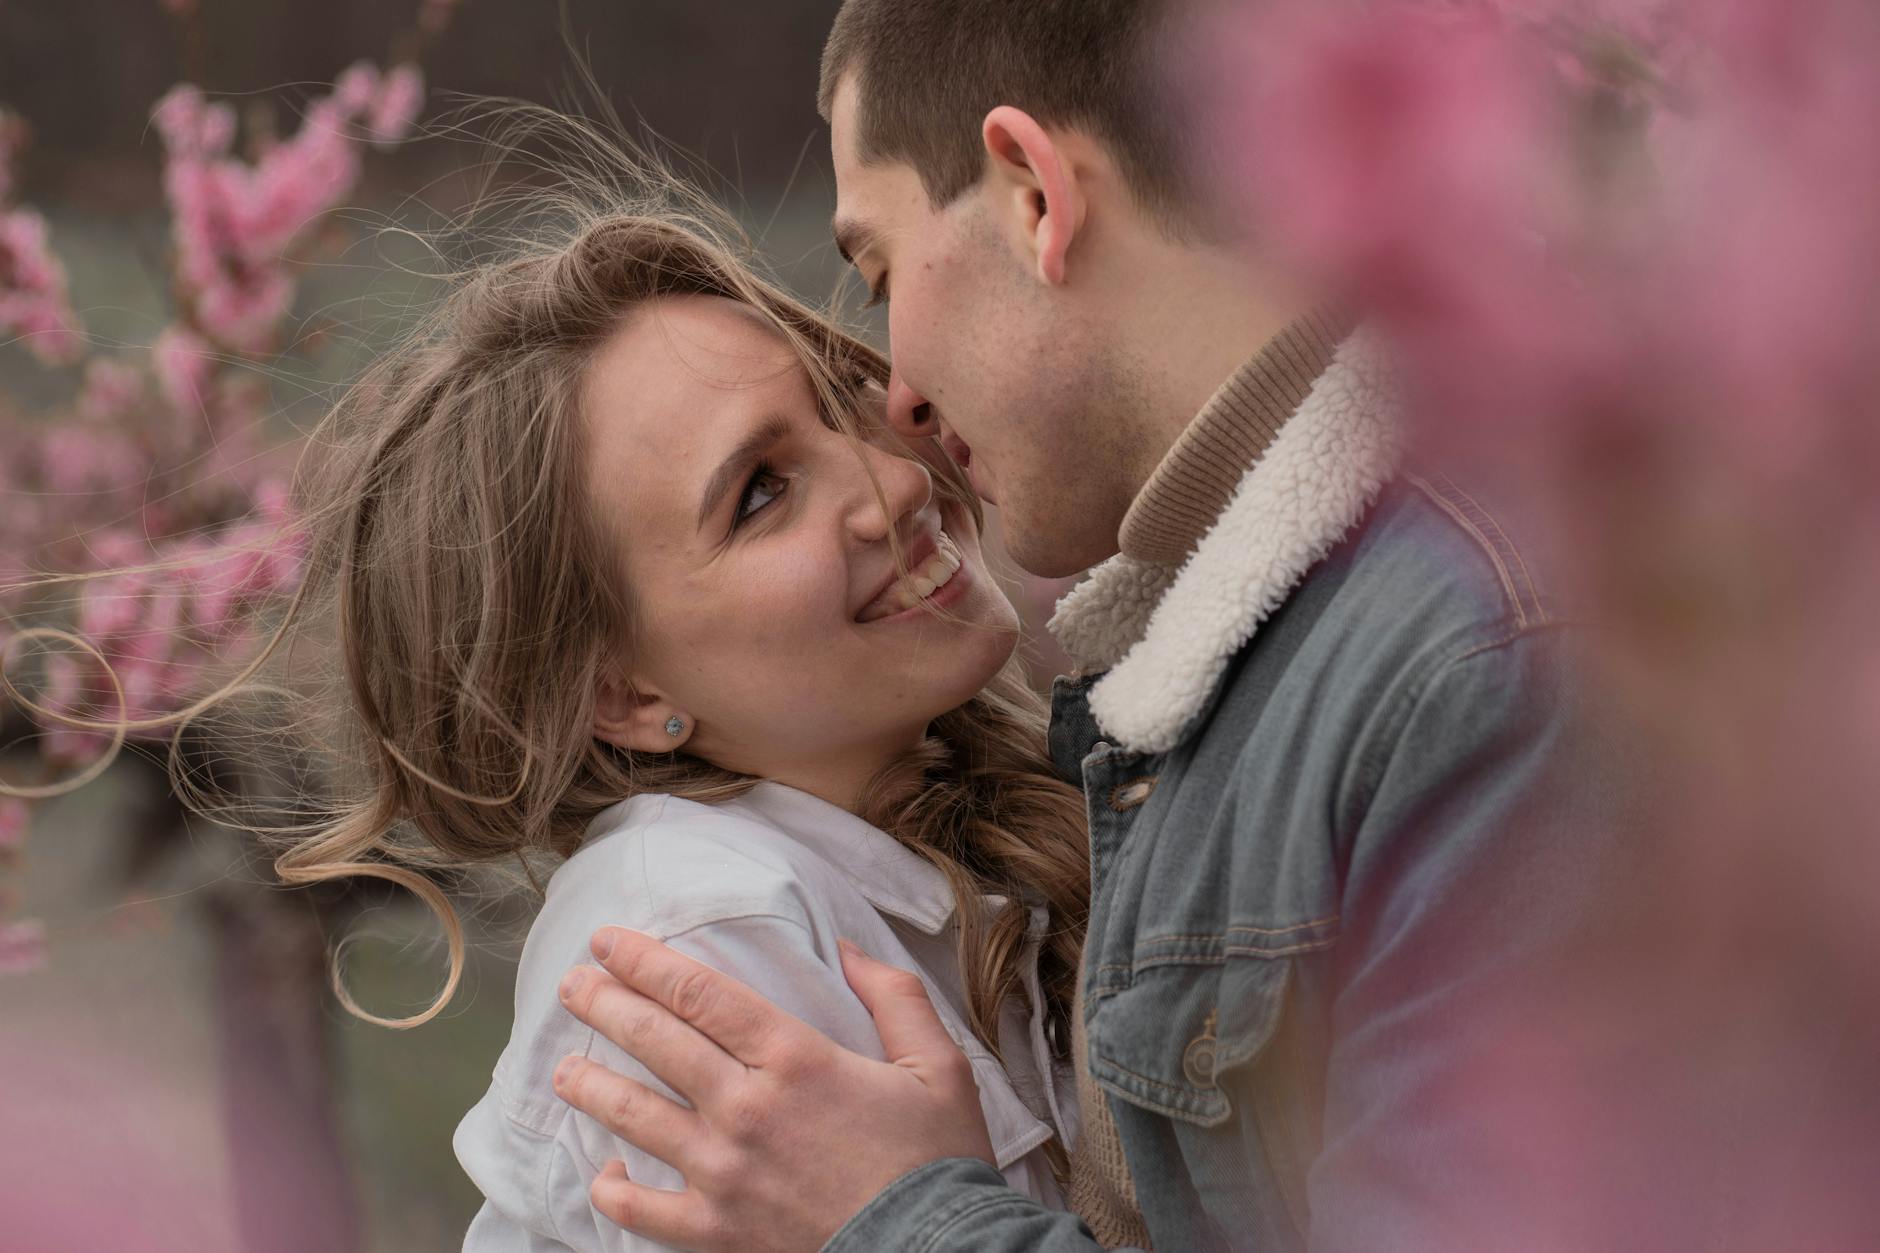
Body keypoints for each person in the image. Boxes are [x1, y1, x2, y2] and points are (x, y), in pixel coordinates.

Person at [547, 2, 1669, 1250]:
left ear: (1033, 191)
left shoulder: (1465, 663)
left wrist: (896, 1219)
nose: (898, 411)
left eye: (875, 272)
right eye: (759, 491)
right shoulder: (1261, 658)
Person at [123, 148, 1104, 1248]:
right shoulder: (702, 939)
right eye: (760, 494)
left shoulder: (950, 832)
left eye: (840, 403)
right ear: (626, 695)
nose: (895, 482)